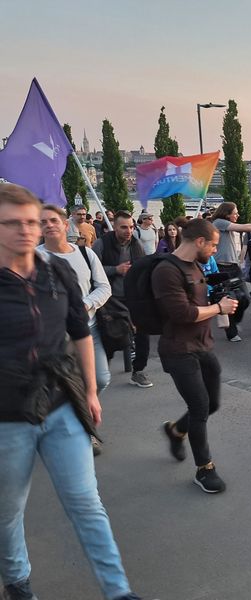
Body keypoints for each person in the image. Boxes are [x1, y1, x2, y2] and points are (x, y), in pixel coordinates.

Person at [0, 183, 142, 600]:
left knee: (86, 502)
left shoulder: (55, 271)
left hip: (61, 403)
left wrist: (91, 392)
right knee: (8, 512)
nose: (27, 230)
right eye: (13, 223)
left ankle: (118, 592)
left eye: (32, 222)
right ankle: (19, 582)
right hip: (7, 418)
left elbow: (80, 331)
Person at [155, 219, 239, 494]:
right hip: (178, 350)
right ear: (199, 241)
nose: (215, 250)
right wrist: (219, 308)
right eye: (213, 245)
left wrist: (220, 295)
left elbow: (197, 300)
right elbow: (183, 314)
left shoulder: (195, 265)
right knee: (200, 406)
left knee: (212, 403)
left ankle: (176, 430)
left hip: (203, 345)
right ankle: (205, 469)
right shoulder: (166, 271)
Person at [38, 204, 112, 457]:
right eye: (43, 222)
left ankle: (81, 408)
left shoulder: (85, 254)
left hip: (89, 330)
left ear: (65, 223)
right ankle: (83, 429)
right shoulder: (34, 258)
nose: (49, 225)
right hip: (55, 337)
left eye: (53, 220)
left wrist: (85, 304)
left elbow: (103, 287)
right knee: (59, 386)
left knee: (100, 379)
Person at [93, 211, 153, 388]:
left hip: (133, 297)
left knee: (143, 334)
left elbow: (143, 268)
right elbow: (91, 270)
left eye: (131, 227)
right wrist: (115, 270)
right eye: (124, 227)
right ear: (115, 227)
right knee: (111, 337)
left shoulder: (136, 243)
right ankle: (101, 373)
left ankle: (138, 370)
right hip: (110, 299)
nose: (129, 231)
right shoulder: (102, 243)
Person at [210, 202, 251, 342]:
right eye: (235, 213)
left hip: (234, 267)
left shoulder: (226, 226)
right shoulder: (219, 222)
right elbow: (245, 227)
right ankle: (232, 333)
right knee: (228, 299)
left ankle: (235, 320)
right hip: (222, 268)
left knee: (245, 298)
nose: (238, 215)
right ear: (227, 213)